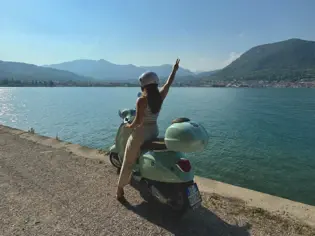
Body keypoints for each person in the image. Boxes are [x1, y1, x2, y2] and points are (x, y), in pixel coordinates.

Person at [116, 58, 180, 200]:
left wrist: (128, 126)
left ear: (143, 85)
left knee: (128, 160)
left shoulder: (141, 100)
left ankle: (120, 190)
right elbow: (168, 83)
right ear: (155, 83)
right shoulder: (160, 96)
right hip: (154, 130)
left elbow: (138, 121)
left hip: (141, 133)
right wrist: (174, 70)